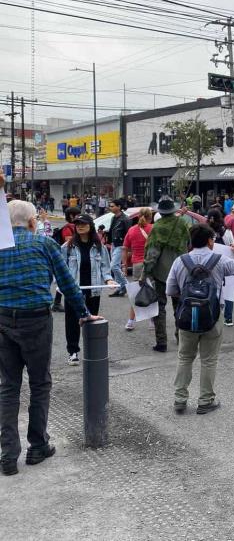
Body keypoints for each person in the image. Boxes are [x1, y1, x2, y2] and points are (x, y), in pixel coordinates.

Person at [0, 193, 100, 476]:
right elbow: (67, 283)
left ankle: (8, 455)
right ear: (33, 222)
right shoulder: (44, 243)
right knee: (40, 382)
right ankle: (38, 445)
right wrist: (83, 312)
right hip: (36, 320)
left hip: (4, 319)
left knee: (8, 386)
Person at [166, 223, 234, 415]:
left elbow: (170, 290)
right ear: (210, 241)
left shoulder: (181, 261)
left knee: (184, 357)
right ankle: (205, 400)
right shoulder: (219, 261)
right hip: (213, 316)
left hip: (187, 318)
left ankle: (180, 399)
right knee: (209, 360)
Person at [62, 214, 117, 365]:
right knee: (72, 322)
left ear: (90, 226)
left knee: (91, 320)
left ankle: (92, 349)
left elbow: (105, 268)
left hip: (93, 289)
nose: (79, 226)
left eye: (83, 223)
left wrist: (109, 279)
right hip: (74, 291)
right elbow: (61, 269)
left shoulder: (99, 246)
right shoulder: (68, 247)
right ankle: (73, 352)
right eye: (77, 224)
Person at [141, 196, 190, 352]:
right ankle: (181, 337)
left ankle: (161, 342)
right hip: (181, 270)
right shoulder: (183, 224)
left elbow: (152, 253)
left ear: (160, 212)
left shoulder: (158, 227)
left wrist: (146, 273)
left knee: (160, 307)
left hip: (161, 272)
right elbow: (188, 244)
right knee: (180, 306)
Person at [123, 207, 154, 331]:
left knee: (136, 292)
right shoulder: (153, 229)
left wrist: (124, 265)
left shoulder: (131, 230)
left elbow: (125, 248)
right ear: (150, 217)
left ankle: (131, 321)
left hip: (136, 264)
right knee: (151, 292)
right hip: (151, 264)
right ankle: (152, 321)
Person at [206, 209, 234, 327]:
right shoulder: (226, 231)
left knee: (211, 289)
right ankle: (228, 318)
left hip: (209, 263)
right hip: (224, 261)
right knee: (228, 289)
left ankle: (211, 314)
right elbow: (231, 245)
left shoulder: (205, 231)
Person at [51, 206, 81, 313]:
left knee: (68, 280)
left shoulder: (74, 226)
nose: (79, 217)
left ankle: (57, 302)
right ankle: (57, 303)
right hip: (68, 258)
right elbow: (69, 241)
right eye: (78, 215)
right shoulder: (68, 228)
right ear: (72, 216)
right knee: (66, 280)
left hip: (73, 257)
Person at [108, 198, 131, 297]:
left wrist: (128, 247)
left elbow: (128, 233)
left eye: (112, 206)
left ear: (119, 207)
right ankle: (120, 288)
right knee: (114, 267)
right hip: (114, 244)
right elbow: (111, 230)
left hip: (121, 245)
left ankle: (126, 286)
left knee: (114, 266)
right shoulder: (114, 217)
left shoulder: (125, 219)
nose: (110, 208)